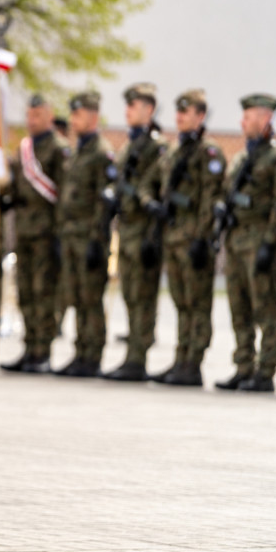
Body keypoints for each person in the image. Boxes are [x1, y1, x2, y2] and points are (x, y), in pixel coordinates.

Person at [139, 90, 225, 387]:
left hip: (193, 240)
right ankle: (180, 358)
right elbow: (148, 182)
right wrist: (151, 201)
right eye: (177, 113)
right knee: (180, 302)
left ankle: (193, 363)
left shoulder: (208, 152)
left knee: (197, 302)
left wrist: (203, 238)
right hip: (172, 236)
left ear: (200, 116)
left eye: (186, 112)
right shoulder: (173, 151)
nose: (179, 117)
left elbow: (209, 199)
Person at [214, 94, 276, 393]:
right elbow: (226, 190)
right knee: (238, 306)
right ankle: (244, 365)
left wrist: (270, 243)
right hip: (235, 240)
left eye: (248, 118)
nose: (242, 123)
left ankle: (265, 370)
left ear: (265, 119)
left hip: (260, 241)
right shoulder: (243, 157)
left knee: (265, 309)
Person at [102, 83, 168, 381]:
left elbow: (160, 193)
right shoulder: (129, 146)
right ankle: (132, 353)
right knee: (130, 293)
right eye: (128, 106)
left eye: (135, 106)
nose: (128, 111)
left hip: (144, 232)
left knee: (143, 295)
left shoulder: (157, 148)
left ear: (149, 110)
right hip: (127, 229)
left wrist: (153, 236)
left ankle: (138, 356)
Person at [0, 95, 70, 373]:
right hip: (25, 231)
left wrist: (59, 236)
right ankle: (29, 348)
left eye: (37, 116)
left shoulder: (59, 149)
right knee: (25, 292)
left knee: (44, 293)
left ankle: (43, 351)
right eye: (29, 115)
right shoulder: (25, 148)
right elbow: (17, 186)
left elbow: (63, 195)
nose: (32, 121)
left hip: (46, 232)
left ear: (49, 116)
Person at [54, 91, 114, 377]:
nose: (72, 120)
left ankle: (93, 355)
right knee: (77, 296)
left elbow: (104, 201)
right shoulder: (77, 150)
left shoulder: (101, 152)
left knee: (91, 298)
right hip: (71, 236)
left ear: (92, 116)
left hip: (90, 239)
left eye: (78, 115)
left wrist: (97, 240)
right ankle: (81, 352)